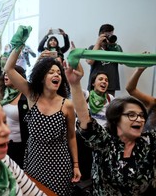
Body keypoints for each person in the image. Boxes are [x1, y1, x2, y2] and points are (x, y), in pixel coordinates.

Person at [65, 61, 156, 195]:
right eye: (131, 115)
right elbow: (85, 119)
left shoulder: (149, 141)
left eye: (142, 115)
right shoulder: (105, 141)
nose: (139, 119)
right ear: (117, 119)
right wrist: (74, 83)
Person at [4, 47, 81, 195]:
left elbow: (71, 136)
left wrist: (76, 165)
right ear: (41, 77)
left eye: (59, 73)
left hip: (59, 165)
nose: (56, 75)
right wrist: (19, 46)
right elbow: (9, 68)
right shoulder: (33, 96)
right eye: (51, 72)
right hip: (34, 162)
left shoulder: (67, 105)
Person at [0, 65, 29, 168]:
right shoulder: (3, 93)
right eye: (5, 73)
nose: (6, 75)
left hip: (20, 146)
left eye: (9, 73)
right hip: (2, 142)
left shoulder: (27, 97)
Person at [86, 24, 123, 96]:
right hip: (95, 84)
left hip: (111, 84)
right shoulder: (93, 47)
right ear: (100, 34)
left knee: (109, 106)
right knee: (92, 105)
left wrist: (113, 46)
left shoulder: (116, 48)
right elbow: (90, 61)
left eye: (111, 34)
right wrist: (98, 43)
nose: (109, 37)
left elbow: (122, 61)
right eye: (107, 34)